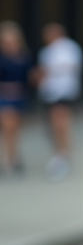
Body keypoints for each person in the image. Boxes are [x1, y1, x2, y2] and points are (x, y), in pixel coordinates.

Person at [37, 23, 83, 181]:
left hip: (64, 91)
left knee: (61, 123)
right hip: (49, 93)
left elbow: (69, 67)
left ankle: (63, 155)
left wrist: (50, 72)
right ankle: (59, 153)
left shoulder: (69, 48)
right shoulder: (46, 51)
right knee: (53, 125)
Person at [0, 22, 35, 175]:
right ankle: (8, 160)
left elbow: (30, 77)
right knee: (8, 126)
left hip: (19, 96)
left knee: (14, 129)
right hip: (4, 95)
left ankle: (13, 158)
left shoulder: (24, 56)